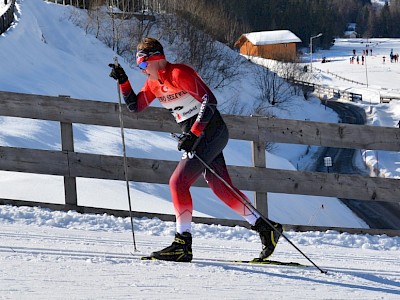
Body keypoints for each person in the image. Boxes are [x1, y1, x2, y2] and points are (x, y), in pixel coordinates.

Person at [108, 37, 283, 262]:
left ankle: (182, 243)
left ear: (156, 59)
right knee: (220, 187)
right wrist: (123, 81)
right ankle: (266, 228)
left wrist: (194, 134)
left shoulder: (179, 73)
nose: (141, 70)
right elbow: (135, 106)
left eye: (142, 64)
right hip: (198, 135)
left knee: (178, 182)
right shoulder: (154, 82)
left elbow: (209, 102)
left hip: (211, 130)